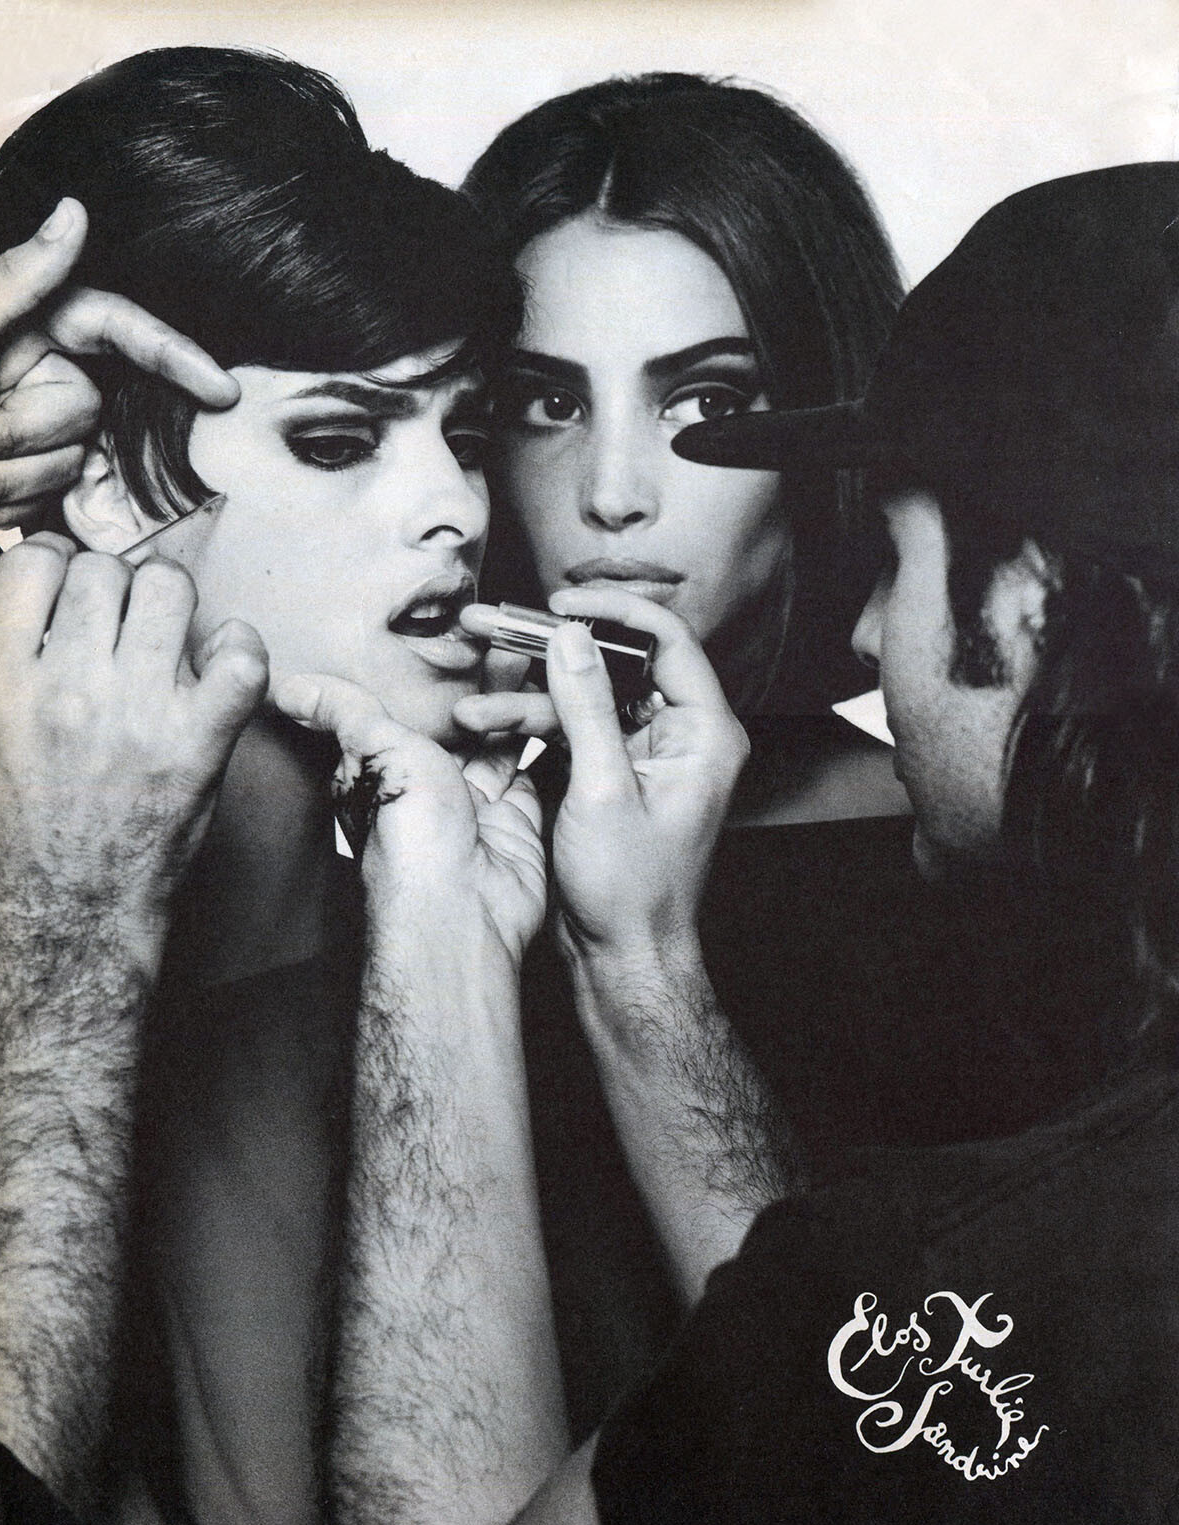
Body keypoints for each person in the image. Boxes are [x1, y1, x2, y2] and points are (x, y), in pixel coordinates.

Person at [304, 162, 1177, 1525]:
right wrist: (638, 959)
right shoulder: (1031, 1243)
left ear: (1033, 597)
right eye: (543, 401)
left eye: (901, 556)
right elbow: (866, 1422)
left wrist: (442, 919)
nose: (870, 626)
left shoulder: (1017, 1231)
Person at [452, 75, 1087, 1434]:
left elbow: (938, 1462)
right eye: (547, 403)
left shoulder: (998, 868)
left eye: (705, 403)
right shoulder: (410, 863)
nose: (613, 496)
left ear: (830, 430)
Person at [0, 45, 522, 1525]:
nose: (459, 511)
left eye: (467, 431)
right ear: (98, 476)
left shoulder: (444, 919)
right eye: (341, 440)